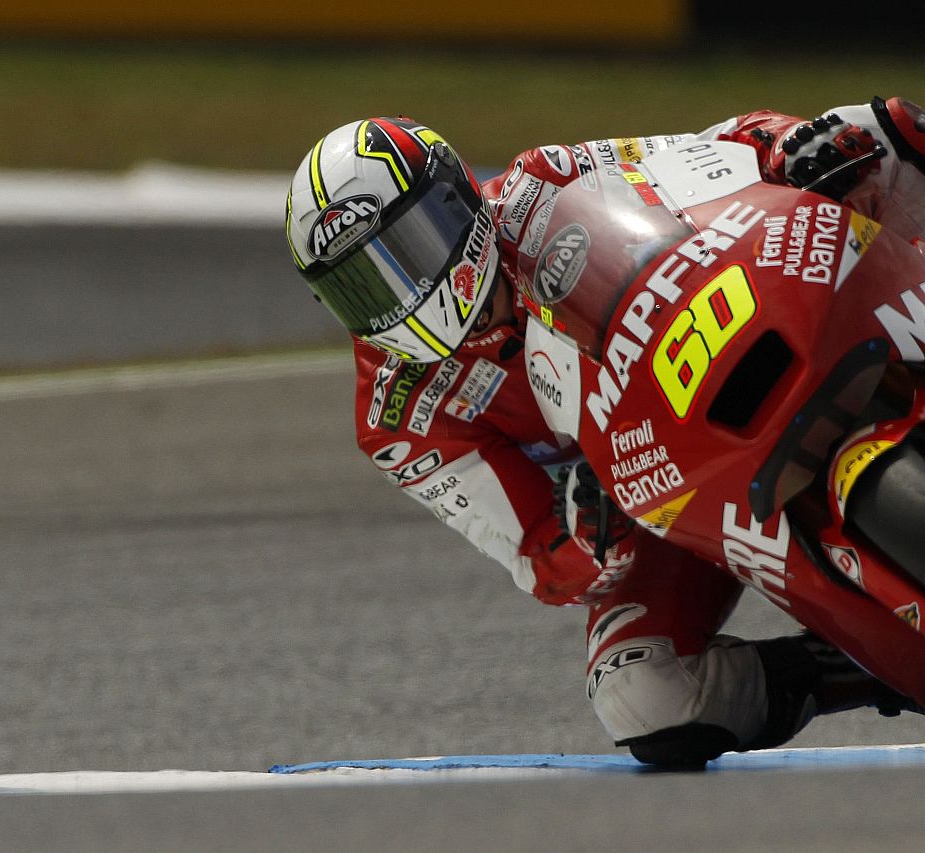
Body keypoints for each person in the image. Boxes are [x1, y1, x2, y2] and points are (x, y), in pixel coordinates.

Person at [284, 99, 925, 767]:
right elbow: (535, 553)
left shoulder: (543, 185)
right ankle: (857, 661)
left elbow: (705, 153)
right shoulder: (400, 419)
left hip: (716, 342)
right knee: (642, 690)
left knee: (888, 133)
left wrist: (788, 144)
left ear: (454, 200)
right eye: (363, 286)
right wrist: (590, 535)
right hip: (644, 499)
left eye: (407, 248)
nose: (401, 291)